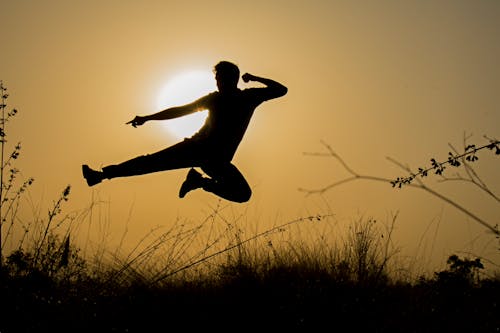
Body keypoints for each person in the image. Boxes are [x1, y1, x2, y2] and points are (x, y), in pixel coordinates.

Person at [82, 61, 287, 203]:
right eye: (216, 79)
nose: (217, 83)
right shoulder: (214, 99)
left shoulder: (248, 97)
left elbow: (281, 89)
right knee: (149, 163)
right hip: (196, 149)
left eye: (220, 78)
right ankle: (100, 175)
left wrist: (253, 77)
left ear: (231, 79)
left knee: (243, 194)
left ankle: (199, 182)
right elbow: (181, 111)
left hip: (217, 161)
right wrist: (148, 118)